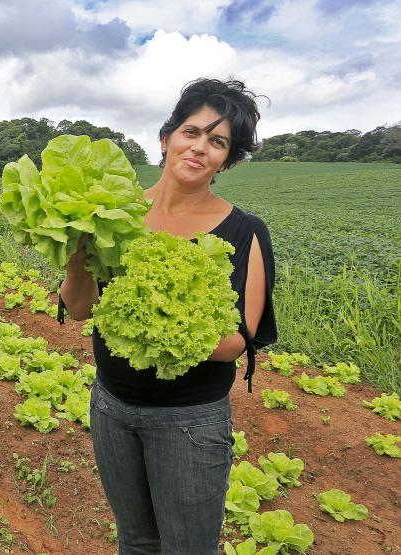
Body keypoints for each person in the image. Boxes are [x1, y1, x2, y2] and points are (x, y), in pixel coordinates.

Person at [58, 78, 277, 555]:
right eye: (191, 132)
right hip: (112, 407)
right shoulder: (115, 214)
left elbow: (238, 340)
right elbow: (79, 308)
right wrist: (76, 256)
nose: (200, 147)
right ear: (166, 138)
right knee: (136, 542)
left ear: (226, 160)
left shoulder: (246, 232)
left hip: (190, 422)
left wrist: (158, 328)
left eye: (218, 142)